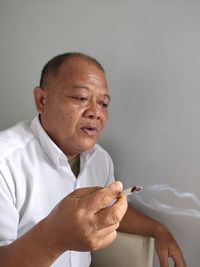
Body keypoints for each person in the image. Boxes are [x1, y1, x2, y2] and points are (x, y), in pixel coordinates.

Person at [0, 52, 186, 267]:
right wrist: (52, 240)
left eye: (104, 103)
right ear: (42, 100)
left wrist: (157, 229)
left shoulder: (100, 159)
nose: (96, 113)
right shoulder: (5, 162)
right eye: (80, 98)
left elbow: (108, 209)